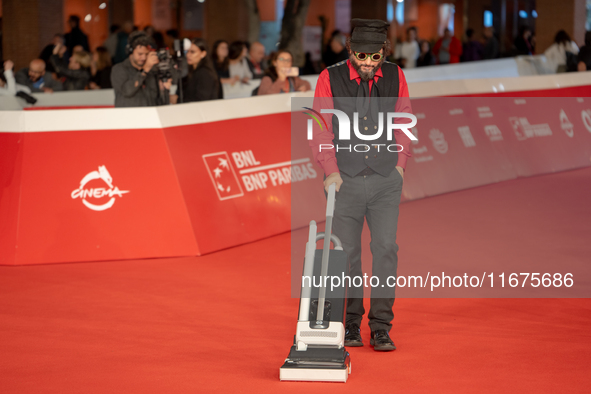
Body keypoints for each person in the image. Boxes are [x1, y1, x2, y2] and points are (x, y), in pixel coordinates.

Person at [310, 18, 412, 352]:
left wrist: (400, 165)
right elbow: (321, 127)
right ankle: (350, 322)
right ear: (350, 50)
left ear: (384, 52)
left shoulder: (396, 75)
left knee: (385, 250)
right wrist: (330, 170)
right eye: (361, 56)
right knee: (348, 255)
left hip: (385, 179)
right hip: (346, 180)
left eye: (374, 57)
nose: (367, 63)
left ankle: (381, 326)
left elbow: (403, 118)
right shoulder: (330, 77)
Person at [110, 31, 172, 107]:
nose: (144, 57)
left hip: (150, 115)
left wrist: (163, 90)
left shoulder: (153, 70)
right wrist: (145, 70)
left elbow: (159, 100)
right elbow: (127, 91)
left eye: (146, 54)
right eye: (140, 54)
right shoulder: (119, 69)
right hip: (128, 117)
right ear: (130, 51)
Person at [182, 38, 220, 102]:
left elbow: (201, 100)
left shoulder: (204, 73)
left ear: (203, 54)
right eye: (187, 51)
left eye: (192, 52)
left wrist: (178, 100)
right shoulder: (192, 71)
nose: (188, 55)